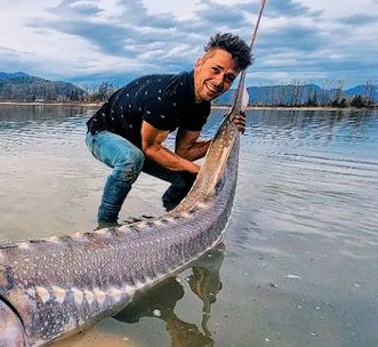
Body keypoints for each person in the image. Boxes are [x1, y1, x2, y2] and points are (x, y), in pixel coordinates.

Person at [85, 33, 253, 227]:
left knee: (189, 176)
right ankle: (105, 226)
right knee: (131, 159)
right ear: (199, 63)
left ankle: (172, 214)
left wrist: (226, 137)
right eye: (216, 70)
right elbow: (151, 149)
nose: (218, 81)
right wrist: (204, 173)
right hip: (102, 134)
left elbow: (185, 153)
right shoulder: (169, 94)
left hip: (139, 144)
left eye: (228, 78)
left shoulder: (201, 107)